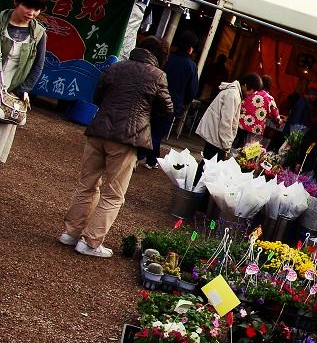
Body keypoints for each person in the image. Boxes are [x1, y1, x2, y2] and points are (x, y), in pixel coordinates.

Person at [60, 36, 173, 257]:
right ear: (161, 56)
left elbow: (98, 96)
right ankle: (90, 242)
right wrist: (145, 118)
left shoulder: (116, 67)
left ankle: (71, 233)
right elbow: (167, 109)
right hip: (127, 139)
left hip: (98, 130)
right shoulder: (158, 76)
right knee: (113, 194)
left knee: (87, 185)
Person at [0, 0, 48, 164]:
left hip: (11, 93)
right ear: (16, 2)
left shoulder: (39, 34)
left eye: (37, 9)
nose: (32, 12)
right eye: (28, 6)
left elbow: (38, 66)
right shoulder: (1, 21)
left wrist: (22, 90)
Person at [141, 30, 199, 168]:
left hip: (153, 98)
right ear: (191, 48)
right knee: (157, 133)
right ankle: (148, 159)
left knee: (145, 128)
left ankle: (143, 156)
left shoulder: (166, 58)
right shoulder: (191, 66)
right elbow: (192, 90)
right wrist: (185, 103)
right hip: (172, 104)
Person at [194, 74, 248, 181]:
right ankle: (197, 186)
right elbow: (226, 121)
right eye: (251, 91)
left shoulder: (233, 93)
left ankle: (197, 185)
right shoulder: (233, 95)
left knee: (208, 163)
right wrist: (226, 144)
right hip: (217, 137)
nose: (250, 94)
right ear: (245, 86)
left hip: (215, 135)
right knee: (209, 165)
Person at [233, 73, 276, 147]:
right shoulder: (270, 99)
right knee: (244, 150)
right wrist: (280, 122)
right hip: (254, 130)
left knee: (232, 145)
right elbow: (276, 116)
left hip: (240, 124)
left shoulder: (251, 92)